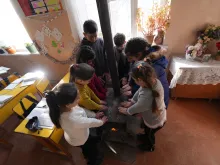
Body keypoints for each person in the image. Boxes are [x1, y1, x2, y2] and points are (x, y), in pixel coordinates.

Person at [45, 83, 108, 165]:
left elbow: (81, 111)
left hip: (75, 135)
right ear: (68, 104)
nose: (80, 98)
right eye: (77, 98)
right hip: (80, 139)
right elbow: (89, 122)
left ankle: (87, 153)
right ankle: (93, 160)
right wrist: (101, 122)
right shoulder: (73, 119)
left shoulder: (63, 108)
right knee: (91, 150)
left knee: (87, 145)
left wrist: (94, 115)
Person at [118, 62, 166, 152]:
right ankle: (145, 136)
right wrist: (131, 101)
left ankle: (149, 146)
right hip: (155, 113)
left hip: (154, 119)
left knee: (150, 135)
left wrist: (127, 110)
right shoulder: (152, 82)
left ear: (140, 80)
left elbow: (139, 107)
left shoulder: (147, 96)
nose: (135, 82)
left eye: (135, 80)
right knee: (146, 130)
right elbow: (140, 91)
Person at [123, 37, 169, 109]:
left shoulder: (152, 67)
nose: (129, 61)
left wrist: (133, 101)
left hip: (157, 104)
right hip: (148, 91)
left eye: (131, 58)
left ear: (138, 54)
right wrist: (130, 85)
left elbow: (144, 88)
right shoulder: (142, 57)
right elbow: (134, 71)